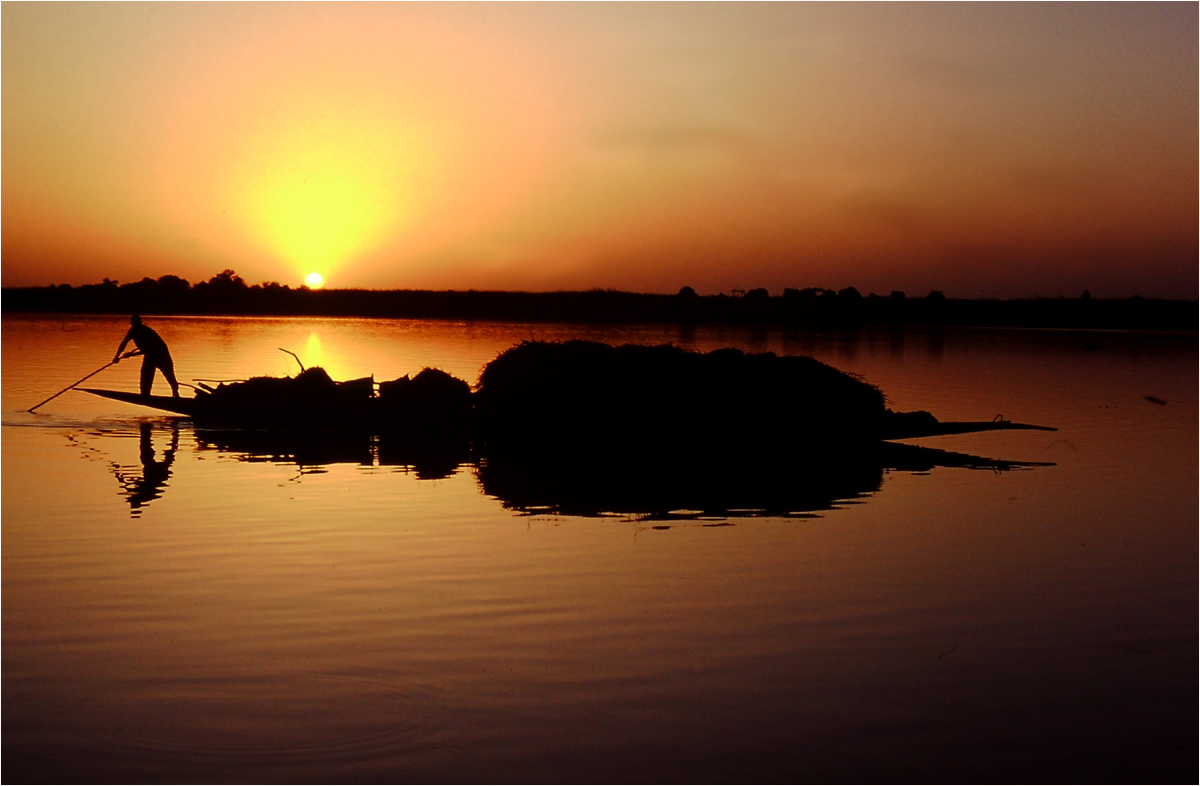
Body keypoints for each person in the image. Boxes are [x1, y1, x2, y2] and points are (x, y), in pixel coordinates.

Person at [114, 315, 180, 397]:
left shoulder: (146, 331)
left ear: (140, 323)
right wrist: (116, 356)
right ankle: (145, 395)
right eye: (133, 324)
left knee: (169, 376)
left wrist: (132, 354)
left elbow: (148, 349)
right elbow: (124, 343)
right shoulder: (132, 331)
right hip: (149, 356)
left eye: (136, 324)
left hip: (161, 355)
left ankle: (176, 395)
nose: (135, 326)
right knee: (145, 377)